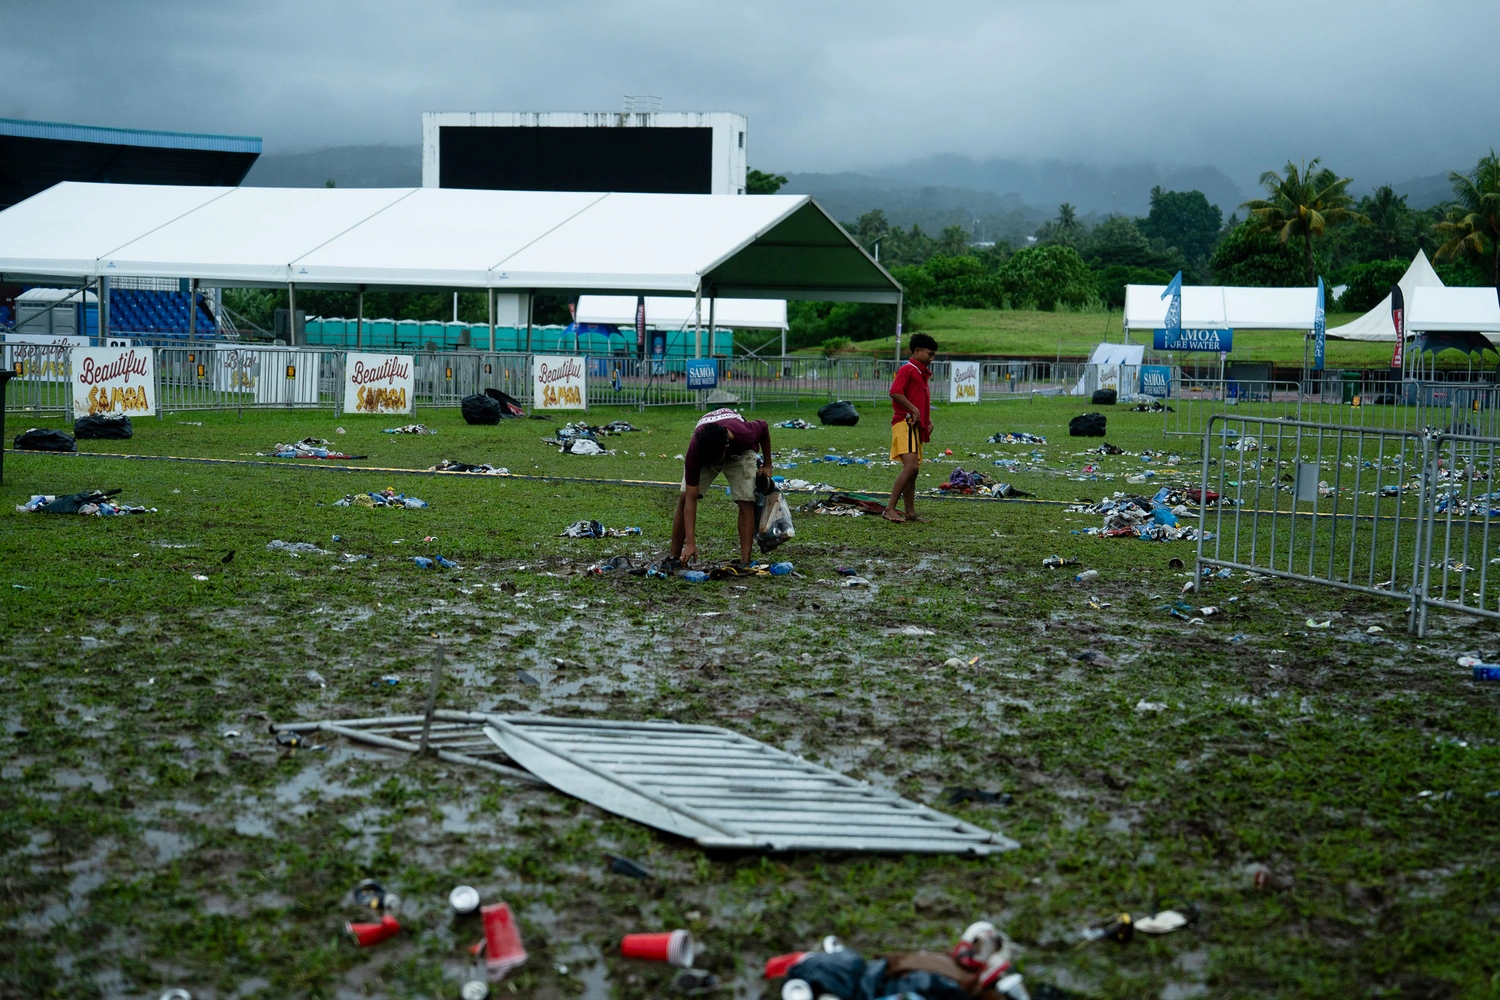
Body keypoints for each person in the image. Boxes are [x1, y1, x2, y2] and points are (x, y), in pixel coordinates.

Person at [671, 407, 772, 566]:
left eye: (715, 460)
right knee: (684, 497)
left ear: (725, 448)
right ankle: (674, 558)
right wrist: (690, 543)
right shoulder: (696, 450)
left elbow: (764, 427)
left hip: (740, 451)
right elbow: (691, 499)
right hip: (709, 450)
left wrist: (767, 464)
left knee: (746, 500)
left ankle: (745, 561)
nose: (714, 465)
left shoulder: (745, 433)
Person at [886, 333, 937, 523]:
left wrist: (927, 420)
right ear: (917, 351)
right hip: (904, 423)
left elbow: (917, 399)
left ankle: (910, 513)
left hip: (914, 425)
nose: (932, 359)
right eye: (929, 354)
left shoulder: (920, 373)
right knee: (911, 466)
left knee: (913, 471)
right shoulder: (908, 369)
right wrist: (914, 410)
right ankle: (889, 508)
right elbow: (895, 392)